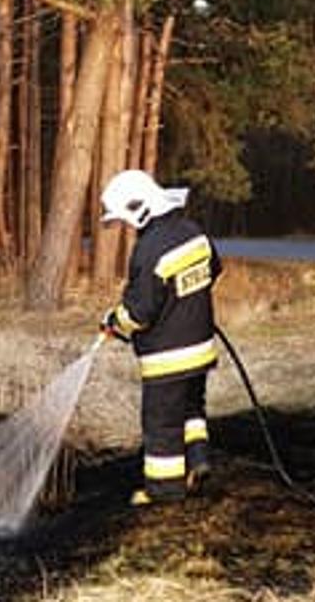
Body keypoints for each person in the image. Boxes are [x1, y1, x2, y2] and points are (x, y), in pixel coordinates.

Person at [96, 169, 222, 506]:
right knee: (192, 407)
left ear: (139, 209)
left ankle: (166, 491)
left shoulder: (148, 250)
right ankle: (198, 459)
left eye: (124, 219)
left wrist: (114, 319)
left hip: (167, 358)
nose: (126, 226)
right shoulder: (192, 231)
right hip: (200, 348)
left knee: (162, 424)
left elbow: (139, 312)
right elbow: (214, 268)